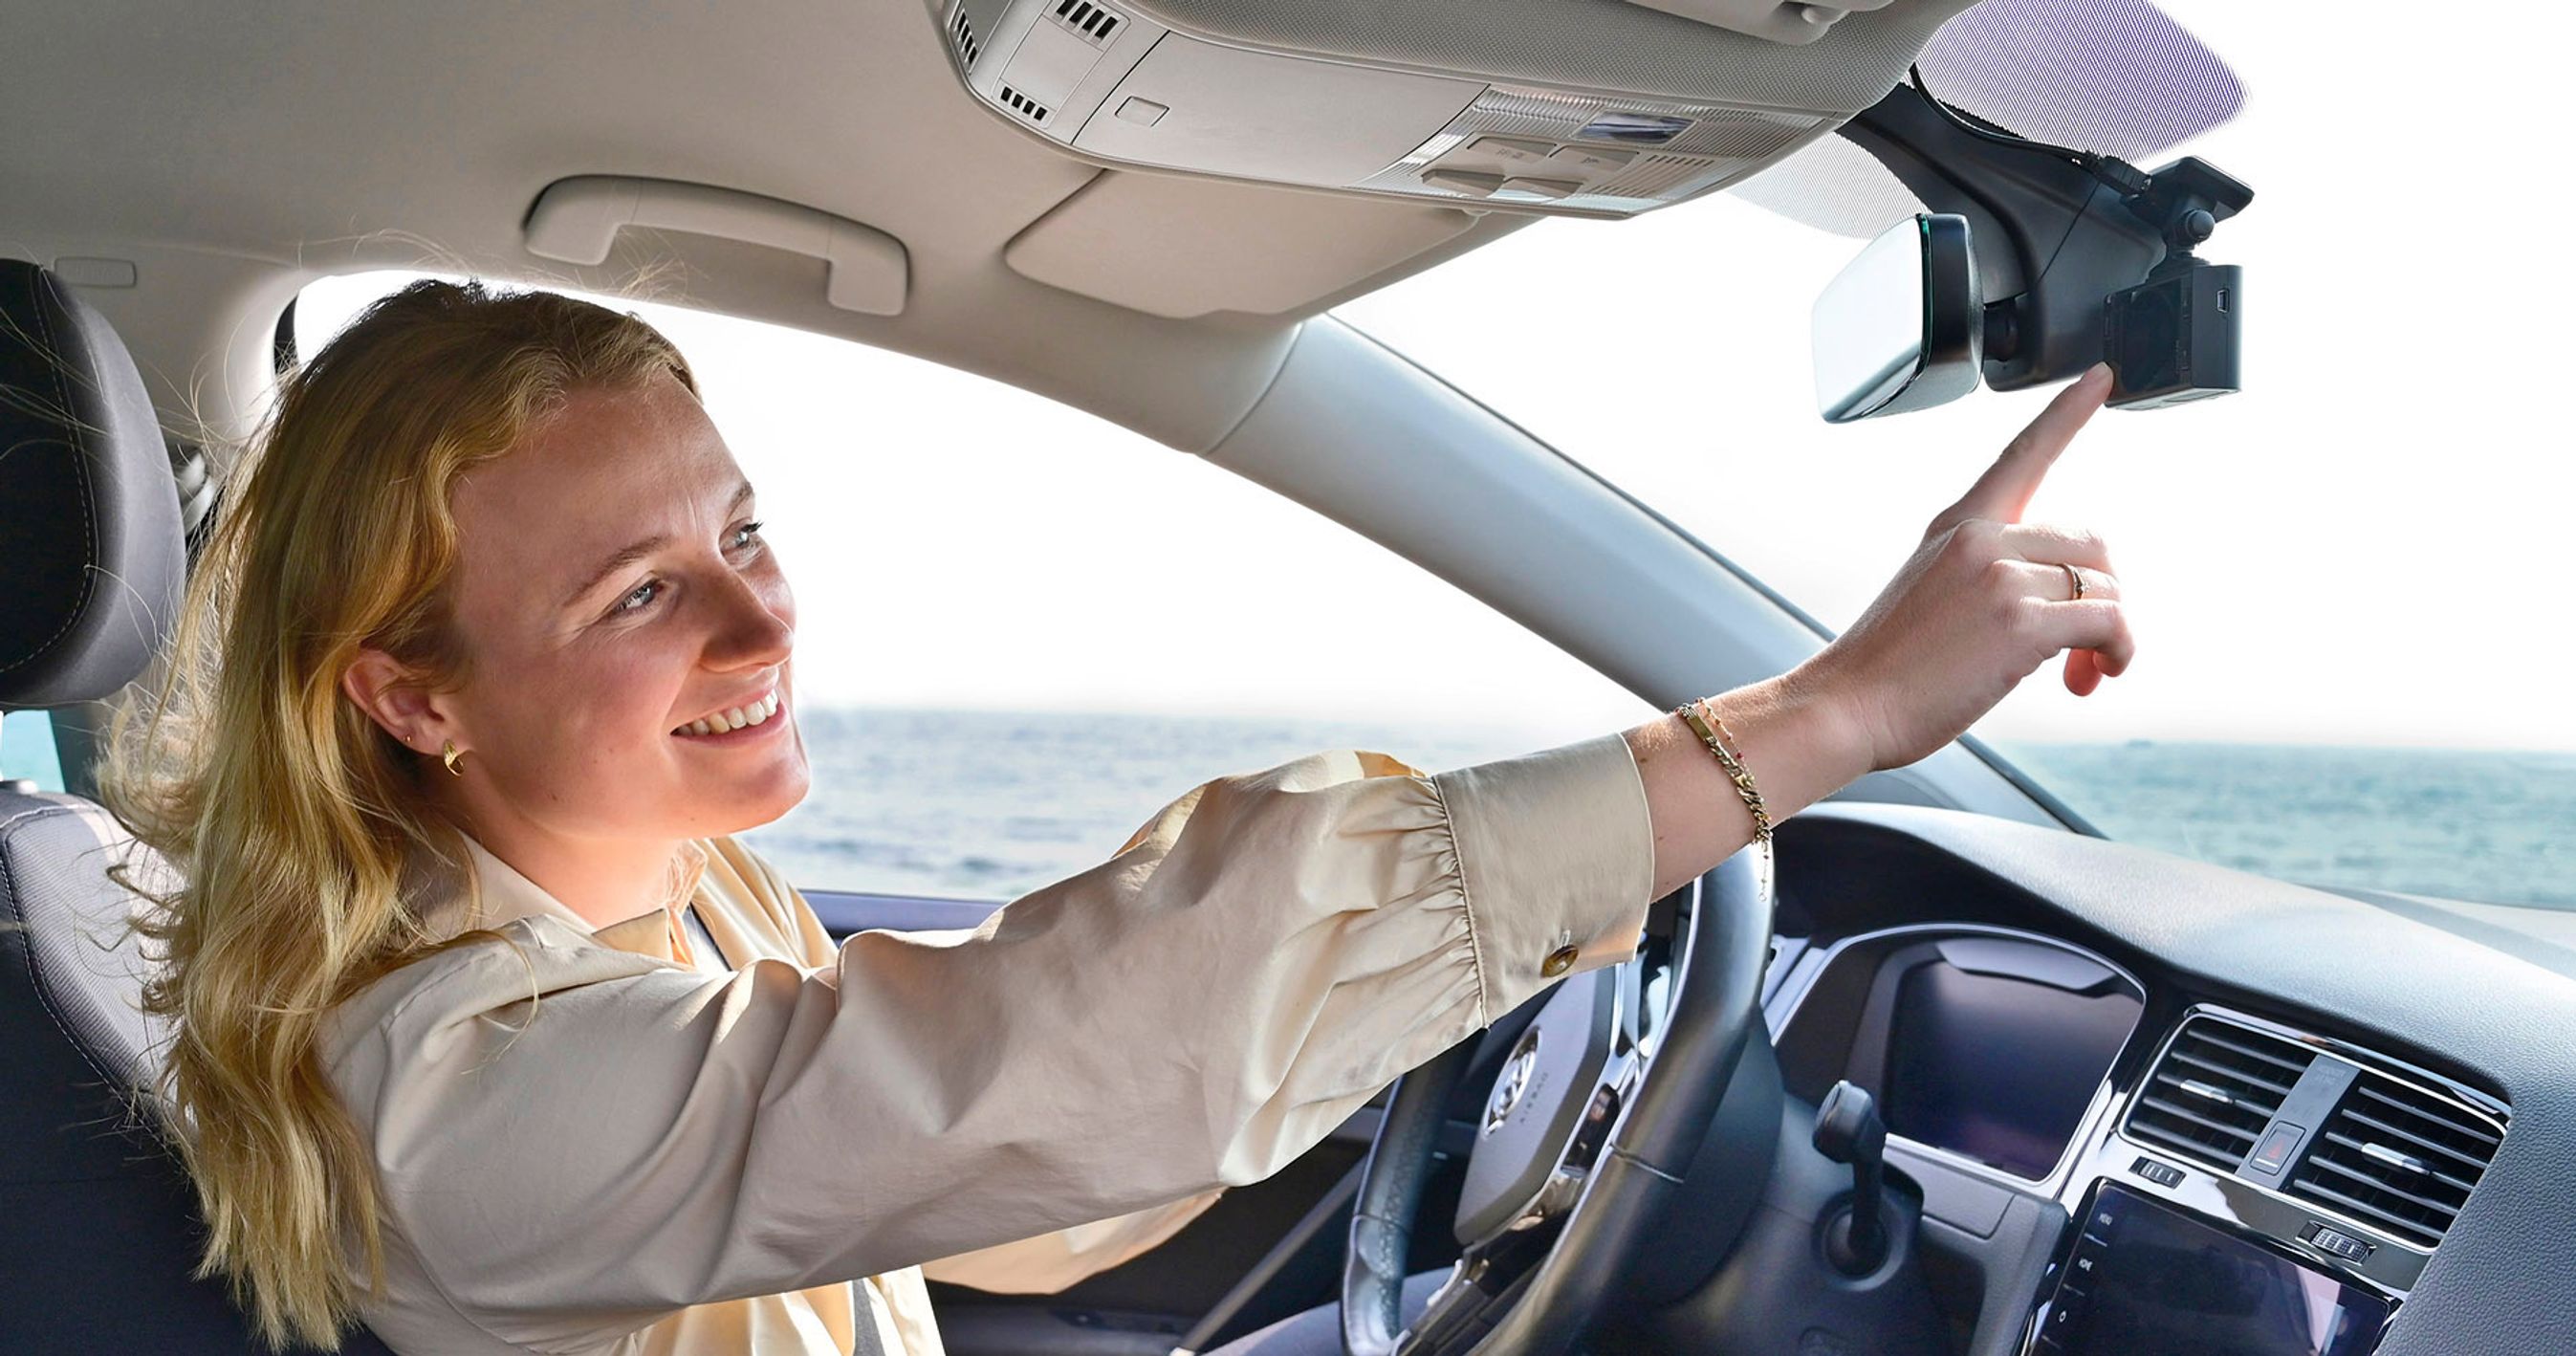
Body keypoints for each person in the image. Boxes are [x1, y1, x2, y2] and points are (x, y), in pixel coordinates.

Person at [101, 280, 2132, 1356]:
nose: (761, 616)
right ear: (406, 691)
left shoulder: (674, 908)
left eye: (740, 531)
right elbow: (1015, 1060)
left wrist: (1431, 995)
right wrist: (1825, 715)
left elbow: (1025, 1175)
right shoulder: (453, 1083)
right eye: (640, 594)